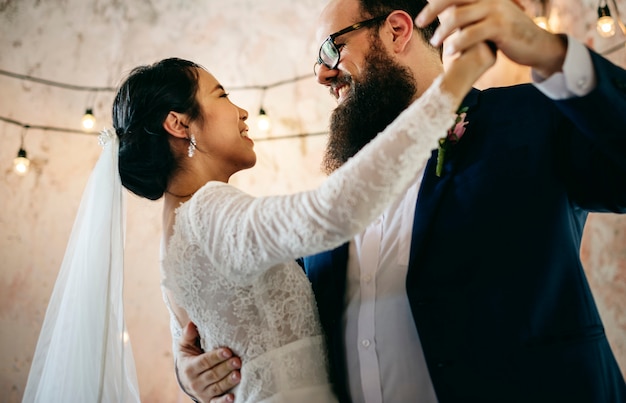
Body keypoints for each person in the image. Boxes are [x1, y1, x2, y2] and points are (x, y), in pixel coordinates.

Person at [176, 0, 626, 402]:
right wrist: (193, 371)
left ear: (396, 30)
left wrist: (551, 53)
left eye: (331, 50)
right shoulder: (331, 205)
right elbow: (270, 325)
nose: (321, 73)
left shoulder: (529, 119)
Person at [22, 37, 495, 402]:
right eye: (222, 94)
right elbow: (331, 212)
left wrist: (189, 379)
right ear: (179, 123)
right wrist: (451, 88)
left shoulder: (178, 230)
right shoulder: (207, 211)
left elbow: (194, 349)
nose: (243, 111)